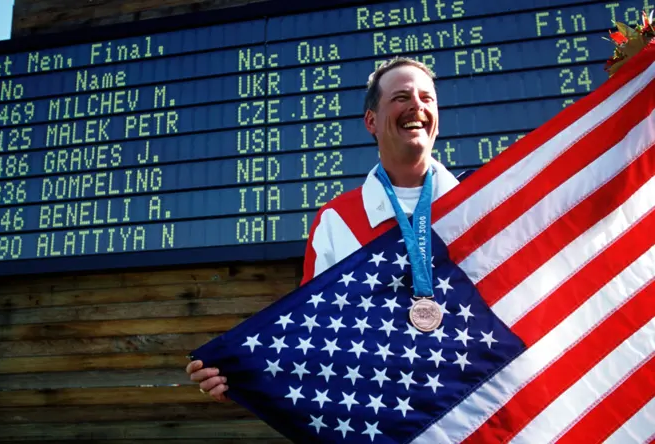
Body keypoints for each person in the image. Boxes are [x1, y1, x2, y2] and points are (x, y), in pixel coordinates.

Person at [186, 57, 460, 402]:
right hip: (382, 414)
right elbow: (313, 333)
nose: (416, 106)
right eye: (401, 98)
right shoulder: (337, 220)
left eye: (426, 97)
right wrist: (238, 373)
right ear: (371, 121)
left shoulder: (480, 204)